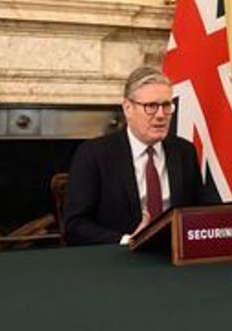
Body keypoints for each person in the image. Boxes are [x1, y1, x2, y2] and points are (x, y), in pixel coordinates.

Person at [63, 65, 214, 246]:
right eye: (151, 106)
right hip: (118, 260)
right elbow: (75, 225)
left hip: (174, 257)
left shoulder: (184, 151)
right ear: (128, 108)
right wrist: (127, 241)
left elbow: (198, 212)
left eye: (166, 105)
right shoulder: (94, 154)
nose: (161, 115)